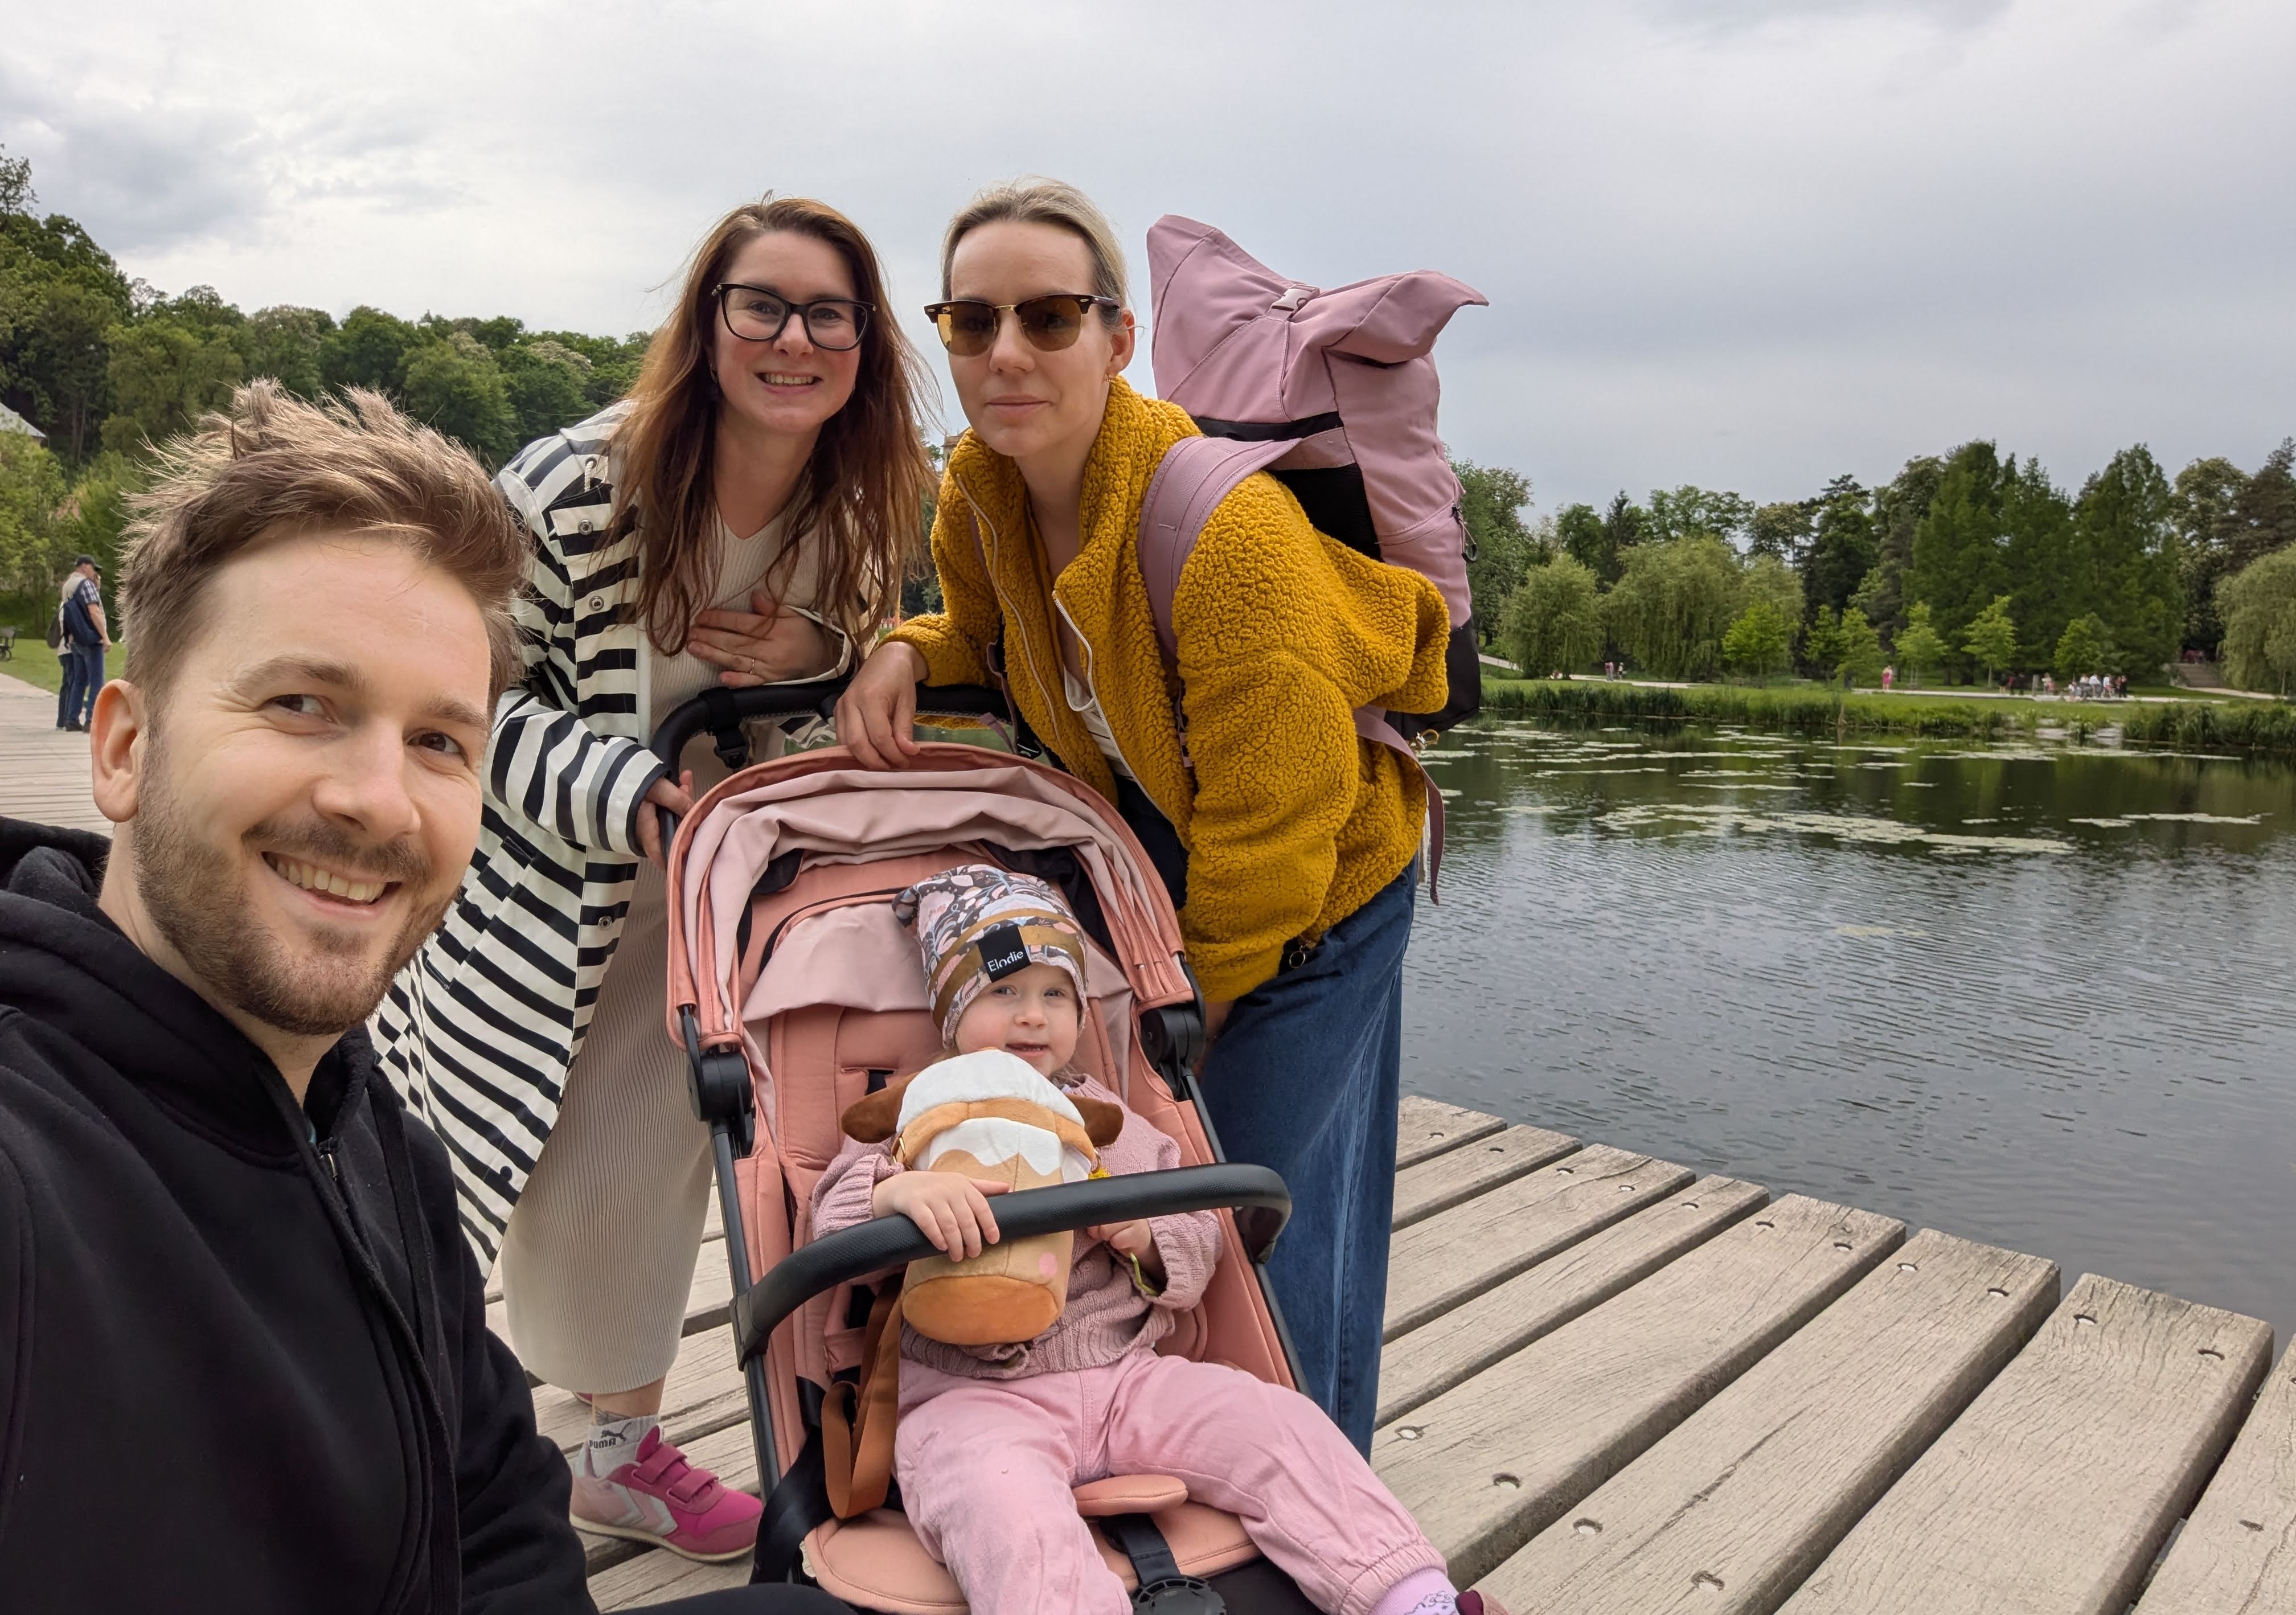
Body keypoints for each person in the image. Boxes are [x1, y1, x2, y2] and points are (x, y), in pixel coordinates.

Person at [0, 381, 844, 1614]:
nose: (379, 801)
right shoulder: (36, 1177)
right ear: (122, 747)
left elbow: (501, 1534)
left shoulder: (377, 1151)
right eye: (303, 705)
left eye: (441, 741)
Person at [835, 180, 1449, 1452]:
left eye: (1050, 318)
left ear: (1117, 342)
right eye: (972, 321)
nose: (1006, 354)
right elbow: (999, 639)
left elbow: (1281, 827)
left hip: (1323, 882)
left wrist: (1196, 1009)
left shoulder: (1232, 537)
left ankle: (1320, 1499)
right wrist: (907, 647)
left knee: (1251, 1208)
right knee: (1240, 1192)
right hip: (1171, 854)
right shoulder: (979, 488)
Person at [378, 195, 936, 1562]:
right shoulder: (576, 483)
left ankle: (611, 1449)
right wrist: (626, 793)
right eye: (762, 304)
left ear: (864, 344)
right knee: (453, 1163)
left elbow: (828, 725)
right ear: (708, 320)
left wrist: (823, 657)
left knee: (641, 1174)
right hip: (538, 909)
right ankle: (385, 1440)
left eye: (829, 315)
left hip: (707, 926)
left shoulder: (856, 517)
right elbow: (453, 702)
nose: (793, 339)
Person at [809, 867, 1499, 1615]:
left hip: (1124, 1376)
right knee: (996, 1503)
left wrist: (1143, 1235)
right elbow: (831, 1217)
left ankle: (1410, 1595)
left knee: (1278, 1425)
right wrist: (898, 1195)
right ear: (950, 1013)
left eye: (1055, 995)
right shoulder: (921, 1114)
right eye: (1003, 993)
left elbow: (1197, 1237)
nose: (1032, 1017)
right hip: (968, 1396)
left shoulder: (1108, 1119)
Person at [54, 552, 107, 731]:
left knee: (79, 681)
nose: (94, 573)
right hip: (90, 638)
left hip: (75, 639)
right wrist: (105, 637)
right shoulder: (85, 584)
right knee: (97, 681)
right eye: (93, 568)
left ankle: (71, 719)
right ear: (85, 566)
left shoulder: (67, 586)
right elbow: (94, 612)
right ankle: (92, 719)